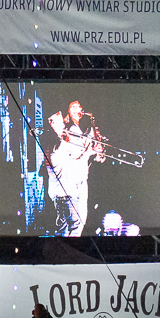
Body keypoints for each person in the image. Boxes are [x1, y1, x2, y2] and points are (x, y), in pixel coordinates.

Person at [44, 100, 103, 237]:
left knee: (71, 229)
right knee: (74, 229)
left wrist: (92, 150)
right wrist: (90, 142)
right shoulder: (62, 139)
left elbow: (77, 157)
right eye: (74, 107)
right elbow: (74, 154)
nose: (79, 109)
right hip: (67, 192)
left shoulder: (68, 135)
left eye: (79, 106)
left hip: (70, 189)